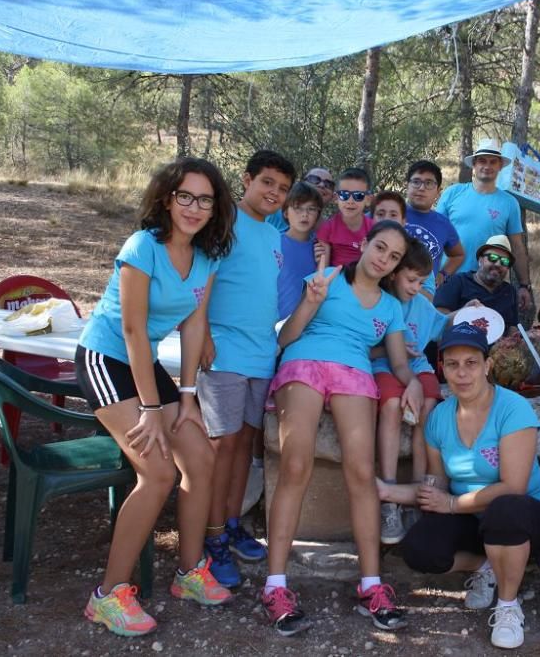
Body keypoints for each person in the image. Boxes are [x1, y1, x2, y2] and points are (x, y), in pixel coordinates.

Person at [75, 157, 235, 636]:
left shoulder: (206, 257)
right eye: (185, 196)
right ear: (167, 198)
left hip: (147, 369)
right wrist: (150, 408)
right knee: (159, 471)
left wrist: (186, 398)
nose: (194, 207)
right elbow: (131, 330)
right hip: (108, 359)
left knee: (200, 457)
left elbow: (193, 324)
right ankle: (108, 595)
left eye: (204, 199)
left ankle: (188, 573)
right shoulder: (142, 246)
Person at [261, 220, 422, 636]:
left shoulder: (391, 307)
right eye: (379, 247)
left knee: (361, 473)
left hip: (354, 371)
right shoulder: (327, 278)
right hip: (304, 360)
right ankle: (275, 586)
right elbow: (287, 337)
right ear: (365, 243)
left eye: (394, 256)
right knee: (296, 465)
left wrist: (415, 383)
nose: (383, 259)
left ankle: (372, 585)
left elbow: (399, 361)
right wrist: (311, 302)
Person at [385, 323, 540, 650]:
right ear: (443, 368)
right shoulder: (438, 417)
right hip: (473, 517)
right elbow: (437, 484)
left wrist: (449, 505)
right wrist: (389, 492)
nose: (461, 373)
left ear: (487, 366)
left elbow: (514, 486)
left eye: (471, 363)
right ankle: (487, 566)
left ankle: (507, 605)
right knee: (419, 548)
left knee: (505, 509)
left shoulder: (512, 408)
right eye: (452, 364)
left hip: (524, 516)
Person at [197, 150, 294, 587]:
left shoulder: (273, 235)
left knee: (246, 446)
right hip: (225, 353)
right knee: (221, 446)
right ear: (247, 180)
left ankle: (232, 523)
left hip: (261, 353)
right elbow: (202, 284)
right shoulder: (224, 223)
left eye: (283, 188)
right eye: (267, 182)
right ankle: (211, 536)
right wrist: (203, 335)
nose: (274, 193)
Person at [372, 238, 450, 545]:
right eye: (412, 280)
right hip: (384, 369)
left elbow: (443, 326)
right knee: (391, 406)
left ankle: (419, 492)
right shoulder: (379, 302)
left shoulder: (422, 306)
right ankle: (389, 497)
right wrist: (388, 349)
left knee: (428, 407)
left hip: (419, 369)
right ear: (394, 274)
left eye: (422, 281)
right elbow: (365, 347)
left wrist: (466, 314)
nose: (417, 287)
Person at [438, 139, 532, 311]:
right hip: (447, 277)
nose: (487, 166)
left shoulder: (510, 203)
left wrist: (524, 286)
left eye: (492, 161)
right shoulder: (453, 193)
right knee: (441, 331)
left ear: (500, 166)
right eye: (482, 160)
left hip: (487, 283)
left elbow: (517, 247)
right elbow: (436, 236)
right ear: (474, 164)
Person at [402, 160, 465, 296]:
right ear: (407, 185)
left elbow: (458, 255)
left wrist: (443, 274)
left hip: (422, 294)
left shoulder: (443, 224)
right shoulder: (390, 212)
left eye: (429, 183)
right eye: (416, 181)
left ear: (438, 191)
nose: (421, 188)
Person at [434, 235, 519, 333]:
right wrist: (464, 312)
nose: (498, 264)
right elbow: (437, 320)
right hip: (460, 344)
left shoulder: (509, 291)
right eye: (493, 257)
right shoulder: (457, 281)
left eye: (504, 261)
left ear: (508, 268)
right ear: (480, 260)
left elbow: (513, 327)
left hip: (497, 347)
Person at [278, 182, 325, 320]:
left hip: (304, 325)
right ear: (286, 212)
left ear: (318, 214)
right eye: (298, 208)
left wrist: (321, 263)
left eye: (311, 209)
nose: (305, 214)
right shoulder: (273, 242)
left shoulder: (320, 246)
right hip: (269, 322)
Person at [316, 167, 374, 267]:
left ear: (368, 199)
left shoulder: (374, 229)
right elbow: (322, 269)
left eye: (358, 195)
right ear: (336, 198)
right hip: (334, 279)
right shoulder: (328, 228)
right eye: (344, 195)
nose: (350, 201)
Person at [266, 166, 335, 232]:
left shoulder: (331, 230)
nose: (322, 185)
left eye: (328, 184)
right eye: (314, 179)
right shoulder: (274, 213)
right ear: (301, 183)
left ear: (332, 196)